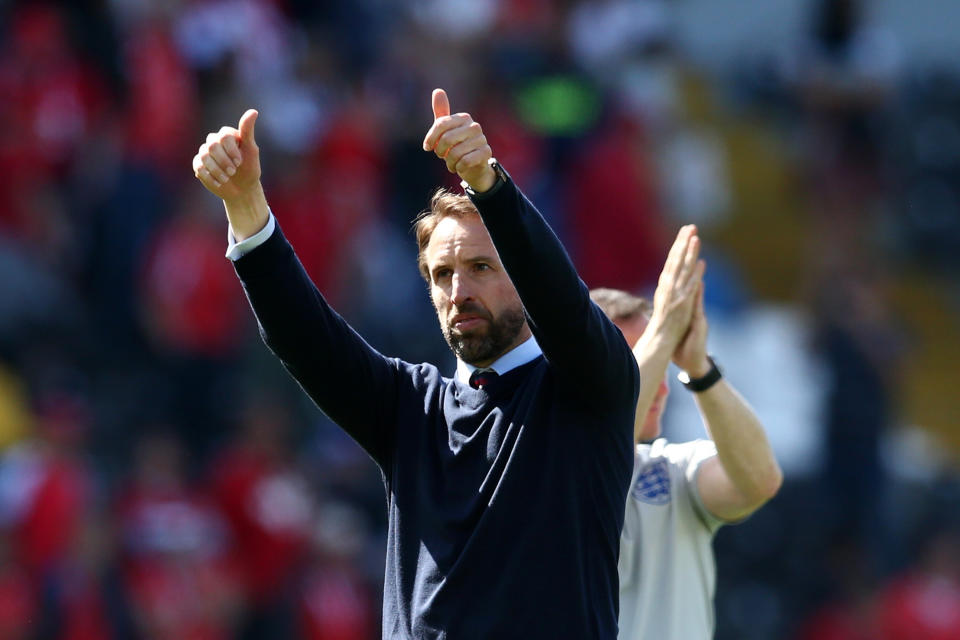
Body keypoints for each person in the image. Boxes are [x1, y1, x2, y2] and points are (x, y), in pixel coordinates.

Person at [192, 89, 640, 639]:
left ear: (521, 272)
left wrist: (490, 186)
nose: (460, 290)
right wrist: (245, 208)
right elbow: (306, 338)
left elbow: (564, 309)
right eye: (443, 274)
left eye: (481, 267)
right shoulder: (411, 407)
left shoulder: (589, 388)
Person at [590, 228, 783, 640]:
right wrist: (661, 332)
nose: (663, 385)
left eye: (662, 365)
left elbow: (760, 480)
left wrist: (699, 369)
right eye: (646, 364)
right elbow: (599, 444)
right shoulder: (538, 467)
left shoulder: (673, 466)